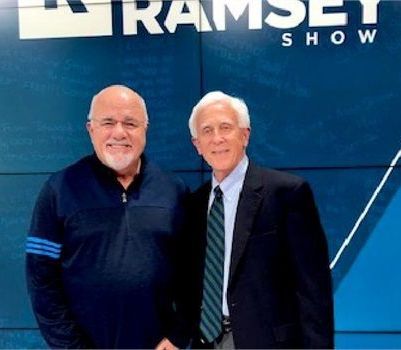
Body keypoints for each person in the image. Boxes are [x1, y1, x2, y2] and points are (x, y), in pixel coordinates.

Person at [26, 85, 189, 349]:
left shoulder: (174, 190)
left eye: (130, 123)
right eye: (108, 122)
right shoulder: (59, 189)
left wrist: (179, 334)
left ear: (145, 128)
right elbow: (41, 281)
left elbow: (192, 273)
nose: (119, 132)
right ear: (91, 129)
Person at [187, 91, 334, 349]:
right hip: (207, 341)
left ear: (245, 135)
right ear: (197, 144)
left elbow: (313, 289)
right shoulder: (194, 203)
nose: (217, 138)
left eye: (225, 127)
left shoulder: (287, 193)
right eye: (207, 131)